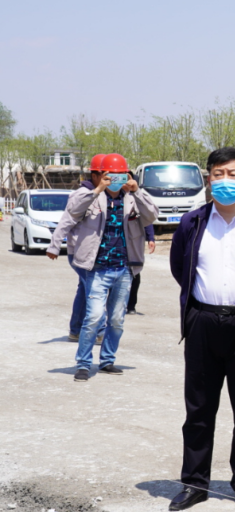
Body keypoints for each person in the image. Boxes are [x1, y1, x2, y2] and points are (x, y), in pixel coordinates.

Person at [167, 147, 235, 512]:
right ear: (208, 179)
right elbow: (181, 267)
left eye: (232, 174)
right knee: (198, 409)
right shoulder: (192, 222)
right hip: (203, 323)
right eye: (217, 174)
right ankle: (195, 482)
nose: (224, 181)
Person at [47, 153, 158, 382]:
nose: (115, 180)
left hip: (124, 268)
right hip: (97, 268)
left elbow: (151, 215)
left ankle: (107, 360)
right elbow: (71, 213)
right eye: (110, 175)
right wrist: (55, 245)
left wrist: (137, 191)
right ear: (100, 175)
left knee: (116, 320)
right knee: (94, 317)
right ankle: (83, 364)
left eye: (120, 175)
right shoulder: (89, 195)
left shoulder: (132, 198)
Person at [59, 154, 106, 344]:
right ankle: (101, 332)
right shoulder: (81, 194)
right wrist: (54, 245)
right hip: (80, 253)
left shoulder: (107, 195)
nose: (110, 179)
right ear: (95, 176)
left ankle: (76, 330)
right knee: (95, 291)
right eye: (106, 175)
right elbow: (67, 220)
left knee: (85, 290)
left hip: (93, 253)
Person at [126, 225, 156, 314]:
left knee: (134, 272)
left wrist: (151, 238)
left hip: (134, 238)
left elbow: (147, 221)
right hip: (115, 240)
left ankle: (131, 305)